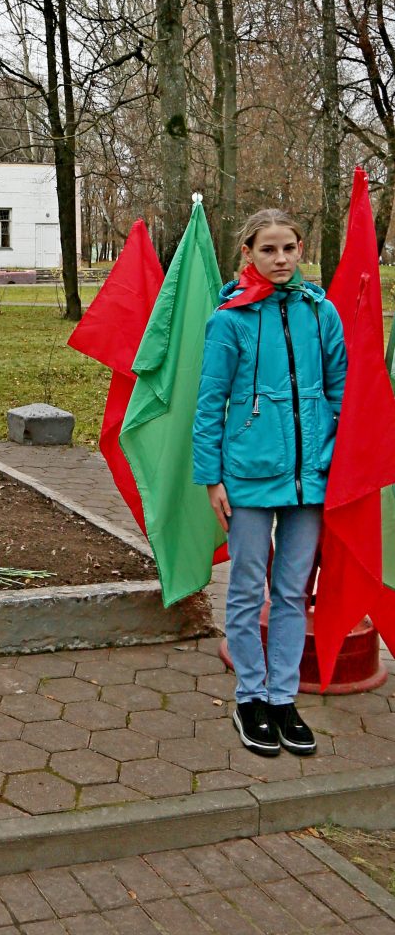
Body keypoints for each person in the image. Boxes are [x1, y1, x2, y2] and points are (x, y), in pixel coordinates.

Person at [193, 209, 346, 758]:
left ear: (301, 248)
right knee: (245, 589)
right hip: (248, 477)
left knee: (291, 592)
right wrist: (211, 478)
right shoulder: (229, 319)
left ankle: (282, 698)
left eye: (288, 248)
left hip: (311, 478)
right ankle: (250, 697)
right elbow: (209, 403)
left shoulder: (321, 311)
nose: (280, 259)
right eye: (268, 250)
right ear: (248, 253)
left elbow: (340, 389)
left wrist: (335, 457)